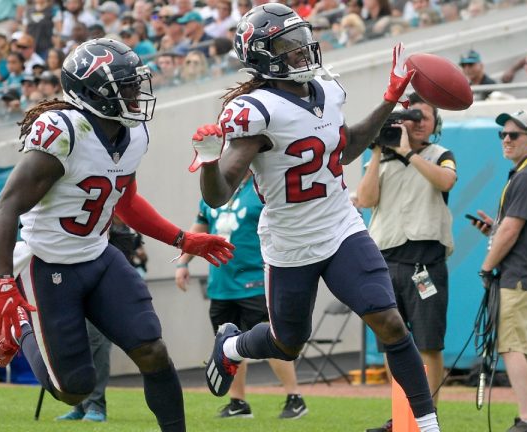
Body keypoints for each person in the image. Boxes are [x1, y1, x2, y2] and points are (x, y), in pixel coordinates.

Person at [189, 4, 439, 431]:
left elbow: (347, 145)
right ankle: (231, 347)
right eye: (288, 44)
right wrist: (209, 163)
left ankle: (426, 426)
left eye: (301, 38)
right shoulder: (257, 110)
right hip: (290, 242)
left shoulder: (327, 88)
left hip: (341, 226)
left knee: (390, 321)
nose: (302, 49)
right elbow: (219, 195)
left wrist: (389, 99)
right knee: (287, 343)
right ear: (263, 55)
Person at [0, 38, 234, 432]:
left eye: (134, 82)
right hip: (48, 264)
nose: (135, 92)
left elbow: (125, 202)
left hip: (98, 255)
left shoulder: (135, 134)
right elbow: (5, 207)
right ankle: (23, 326)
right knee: (74, 390)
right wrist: (6, 284)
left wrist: (183, 239)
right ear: (94, 92)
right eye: (125, 85)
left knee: (153, 350)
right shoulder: (63, 132)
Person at [175, 173, 308, 419]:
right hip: (221, 282)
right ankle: (238, 402)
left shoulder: (261, 188)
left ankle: (294, 397)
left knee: (271, 338)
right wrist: (183, 263)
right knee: (226, 344)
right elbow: (200, 226)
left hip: (255, 280)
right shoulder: (214, 191)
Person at [357, 92, 456, 410]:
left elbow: (446, 181)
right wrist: (376, 151)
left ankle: (429, 414)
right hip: (385, 260)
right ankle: (401, 415)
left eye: (423, 117)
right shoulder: (381, 157)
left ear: (435, 123)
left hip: (424, 261)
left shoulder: (440, 153)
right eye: (411, 116)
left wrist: (408, 154)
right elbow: (367, 199)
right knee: (391, 342)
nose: (417, 123)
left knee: (429, 343)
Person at [472, 110, 527, 432]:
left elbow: (512, 231)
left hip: (518, 275)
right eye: (503, 135)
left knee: (511, 347)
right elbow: (509, 229)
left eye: (514, 135)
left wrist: (486, 265)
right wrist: (494, 230)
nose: (506, 139)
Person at [57, 220, 145, 423]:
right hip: (75, 288)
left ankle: (96, 405)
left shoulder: (119, 229)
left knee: (97, 346)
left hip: (103, 294)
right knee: (75, 345)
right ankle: (79, 404)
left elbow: (122, 257)